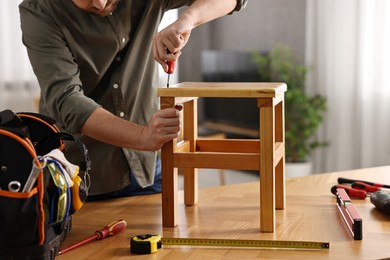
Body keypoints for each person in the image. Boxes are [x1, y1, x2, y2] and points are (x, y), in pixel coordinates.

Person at [19, 0, 247, 199]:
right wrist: (143, 136)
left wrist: (187, 20)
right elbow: (67, 100)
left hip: (148, 169)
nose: (99, 3)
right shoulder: (39, 11)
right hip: (78, 178)